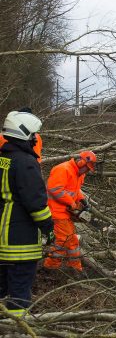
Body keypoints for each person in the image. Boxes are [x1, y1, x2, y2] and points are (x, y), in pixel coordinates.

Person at [0, 111, 54, 317]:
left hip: (3, 236)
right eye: (33, 135)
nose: (35, 139)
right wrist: (49, 229)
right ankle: (19, 332)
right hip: (19, 240)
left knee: (3, 287)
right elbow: (37, 204)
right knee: (20, 292)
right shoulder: (26, 163)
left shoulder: (3, 159)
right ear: (23, 132)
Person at [43, 150, 96, 272]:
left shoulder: (79, 174)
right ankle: (50, 267)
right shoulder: (63, 169)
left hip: (65, 212)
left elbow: (76, 190)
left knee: (72, 240)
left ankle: (75, 268)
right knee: (63, 240)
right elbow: (55, 189)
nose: (86, 171)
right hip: (56, 211)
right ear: (81, 162)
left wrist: (83, 201)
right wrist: (71, 203)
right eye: (86, 168)